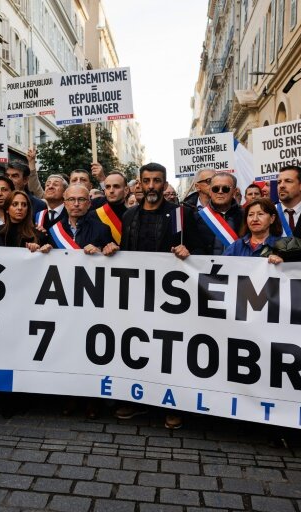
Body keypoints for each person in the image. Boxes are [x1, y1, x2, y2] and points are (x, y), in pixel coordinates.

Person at [118, 162, 196, 429]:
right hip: (136, 296)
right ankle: (136, 400)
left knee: (168, 351)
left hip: (170, 298)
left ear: (164, 183)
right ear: (139, 183)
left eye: (157, 181)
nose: (151, 186)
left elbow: (197, 251)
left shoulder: (179, 215)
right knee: (137, 348)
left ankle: (171, 403)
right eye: (147, 181)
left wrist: (189, 252)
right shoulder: (129, 216)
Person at [48, 184, 114, 253]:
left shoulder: (102, 229)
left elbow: (111, 259)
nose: (76, 204)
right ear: (65, 204)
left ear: (89, 204)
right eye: (71, 199)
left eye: (81, 199)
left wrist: (99, 253)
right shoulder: (54, 230)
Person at [191, 172, 243, 255]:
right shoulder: (196, 218)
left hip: (238, 266)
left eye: (225, 188)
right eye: (215, 188)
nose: (220, 192)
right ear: (210, 191)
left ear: (234, 191)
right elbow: (191, 247)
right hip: (207, 267)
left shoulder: (245, 216)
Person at [222, 198, 284, 263]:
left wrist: (282, 265)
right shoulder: (237, 246)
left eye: (260, 214)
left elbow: (292, 271)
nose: (255, 219)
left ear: (272, 218)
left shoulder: (283, 247)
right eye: (251, 215)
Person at [92, 172, 129, 248]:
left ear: (126, 190)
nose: (111, 190)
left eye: (116, 186)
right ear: (105, 191)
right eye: (108, 187)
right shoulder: (93, 215)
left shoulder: (134, 216)